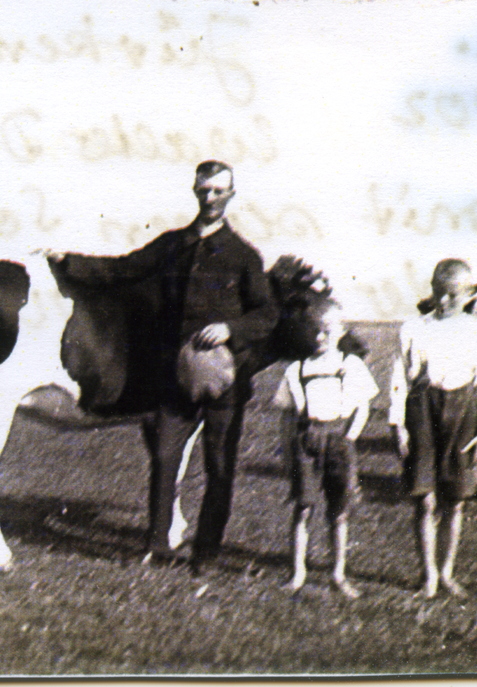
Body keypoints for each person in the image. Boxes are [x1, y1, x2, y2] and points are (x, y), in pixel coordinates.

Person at [51, 161, 278, 574]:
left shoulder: (244, 256)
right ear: (194, 191)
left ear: (230, 195)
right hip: (174, 380)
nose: (210, 198)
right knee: (164, 456)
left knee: (219, 465)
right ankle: (157, 545)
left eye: (218, 191)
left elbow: (266, 315)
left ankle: (206, 553)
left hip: (226, 381)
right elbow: (123, 268)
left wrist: (231, 328)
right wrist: (69, 262)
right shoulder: (171, 245)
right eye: (204, 190)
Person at [388, 258, 477, 598]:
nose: (444, 301)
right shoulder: (414, 328)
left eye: (452, 295)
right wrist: (397, 424)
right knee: (424, 499)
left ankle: (448, 572)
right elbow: (398, 381)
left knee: (455, 500)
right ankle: (429, 576)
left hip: (463, 414)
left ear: (467, 295)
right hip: (422, 410)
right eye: (438, 293)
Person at [272, 300, 378, 598]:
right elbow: (286, 416)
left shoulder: (350, 365)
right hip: (306, 440)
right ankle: (297, 573)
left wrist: (351, 437)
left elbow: (363, 407)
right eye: (315, 331)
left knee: (339, 510)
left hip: (339, 441)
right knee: (303, 507)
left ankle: (338, 573)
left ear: (340, 332)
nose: (320, 338)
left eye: (327, 331)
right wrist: (287, 451)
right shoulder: (297, 370)